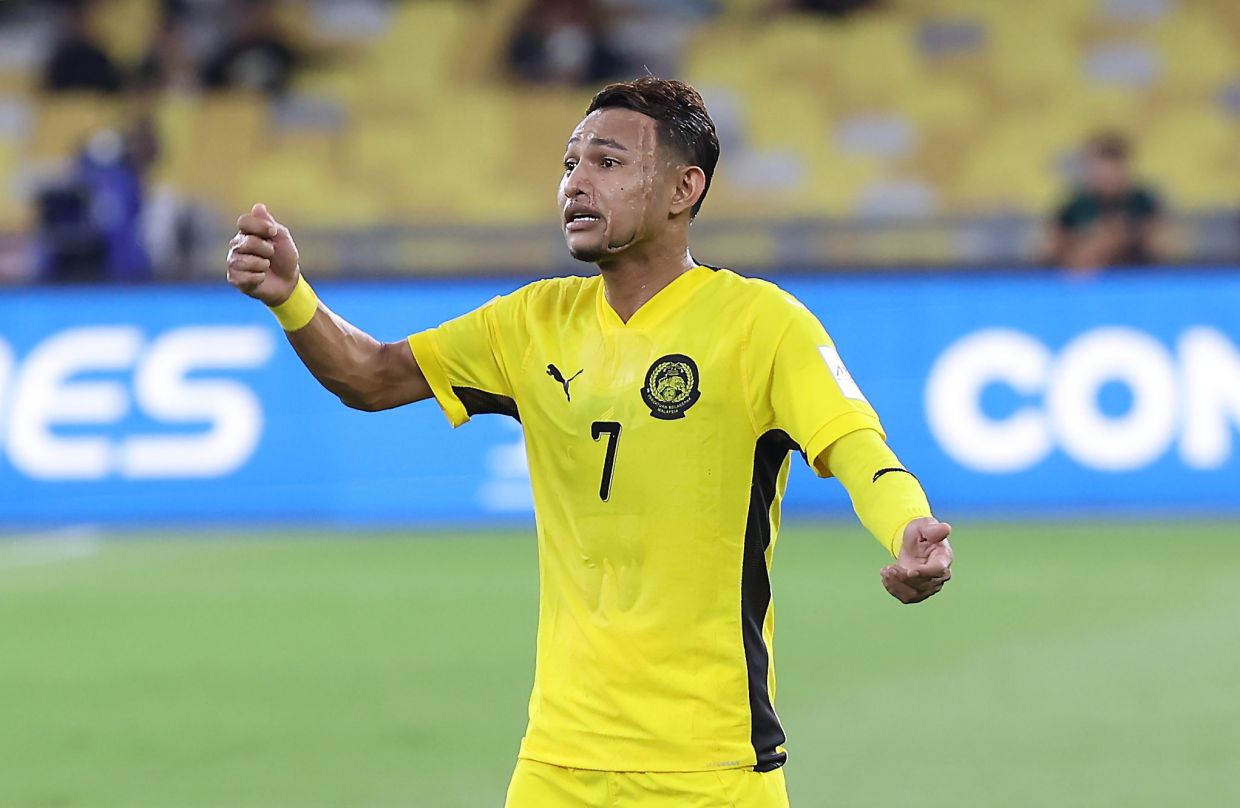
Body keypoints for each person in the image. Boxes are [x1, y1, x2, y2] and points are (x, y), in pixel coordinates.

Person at [225, 77, 953, 807]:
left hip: (711, 768)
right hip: (556, 764)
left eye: (607, 162)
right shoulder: (533, 321)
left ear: (682, 188)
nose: (576, 182)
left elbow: (856, 445)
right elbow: (372, 375)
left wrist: (906, 525)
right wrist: (293, 296)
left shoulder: (761, 324)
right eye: (571, 162)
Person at [1048, 132, 1165, 273]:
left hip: (1137, 279)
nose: (1107, 175)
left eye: (1113, 167)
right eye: (1100, 167)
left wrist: (1130, 236)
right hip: (1086, 283)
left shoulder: (1142, 202)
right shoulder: (1074, 207)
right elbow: (1053, 252)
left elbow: (1166, 249)